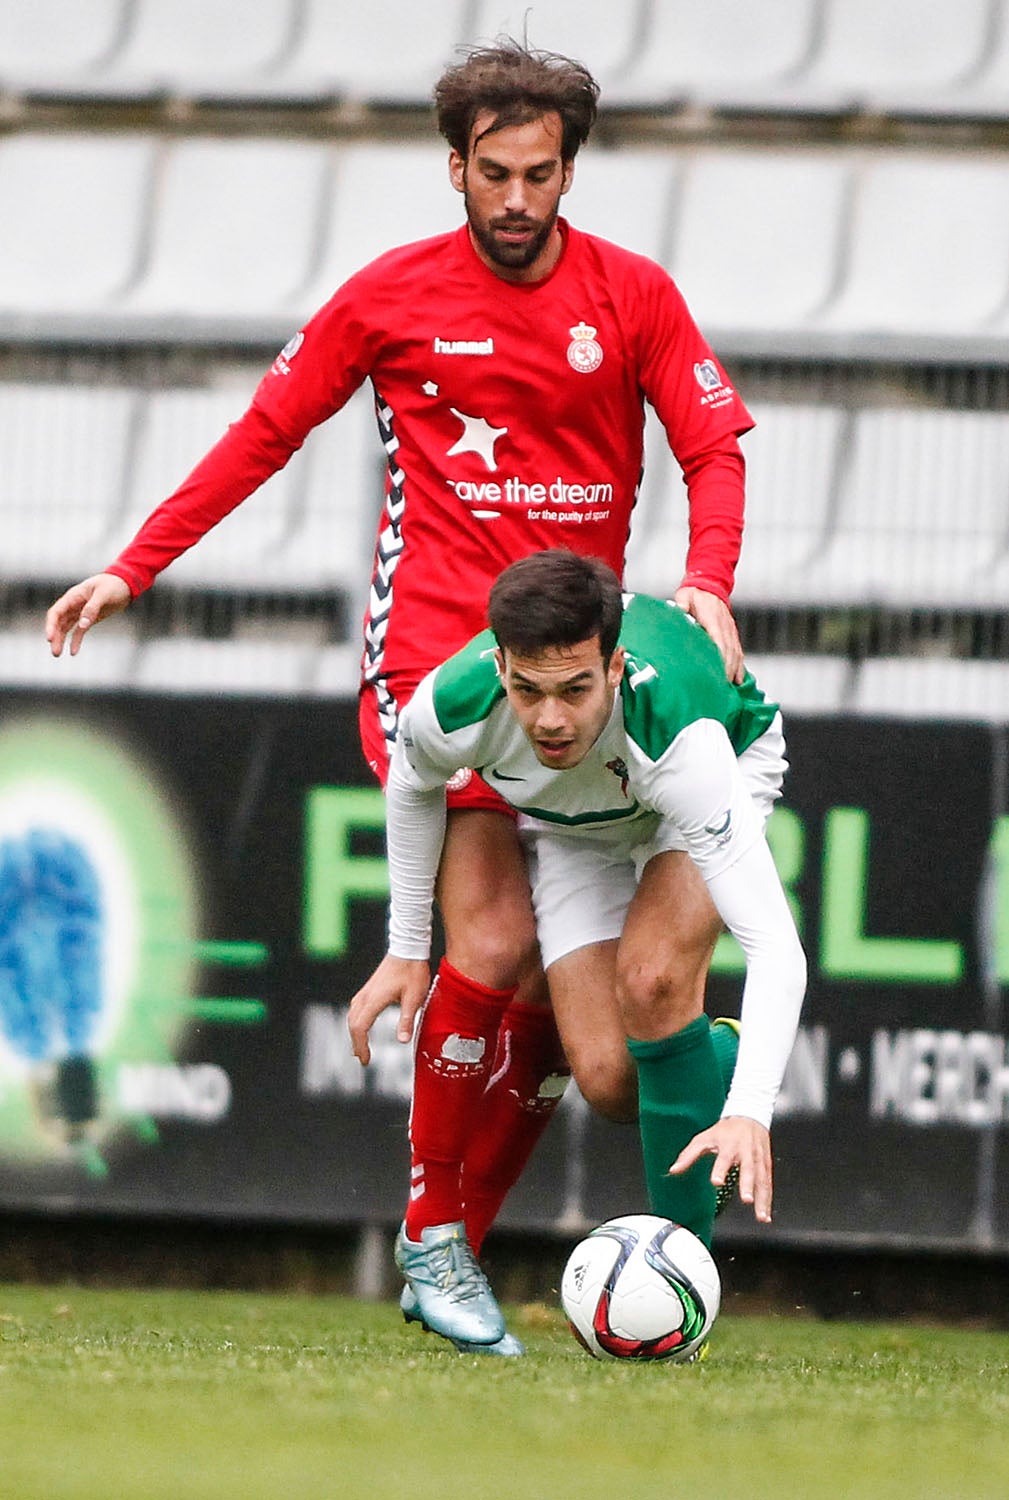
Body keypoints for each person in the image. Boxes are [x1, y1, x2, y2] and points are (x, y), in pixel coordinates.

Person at [45, 42, 756, 1354]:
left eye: (540, 174)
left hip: (583, 686)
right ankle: (440, 1244)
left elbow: (712, 447)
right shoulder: (389, 298)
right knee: (484, 943)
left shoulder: (634, 296)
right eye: (494, 173)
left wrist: (706, 581)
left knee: (599, 1064)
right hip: (439, 664)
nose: (517, 198)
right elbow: (264, 432)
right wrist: (133, 564)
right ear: (456, 167)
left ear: (568, 169)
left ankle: (534, 1257)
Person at [350, 550, 806, 1349]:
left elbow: (775, 948)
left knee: (653, 980)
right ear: (499, 667)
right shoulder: (452, 704)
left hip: (699, 786)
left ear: (613, 664)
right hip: (572, 829)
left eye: (575, 690)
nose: (550, 719)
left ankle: (684, 1289)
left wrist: (747, 1113)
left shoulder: (683, 742)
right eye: (527, 691)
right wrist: (405, 947)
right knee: (603, 1080)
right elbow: (412, 786)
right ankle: (709, 1056)